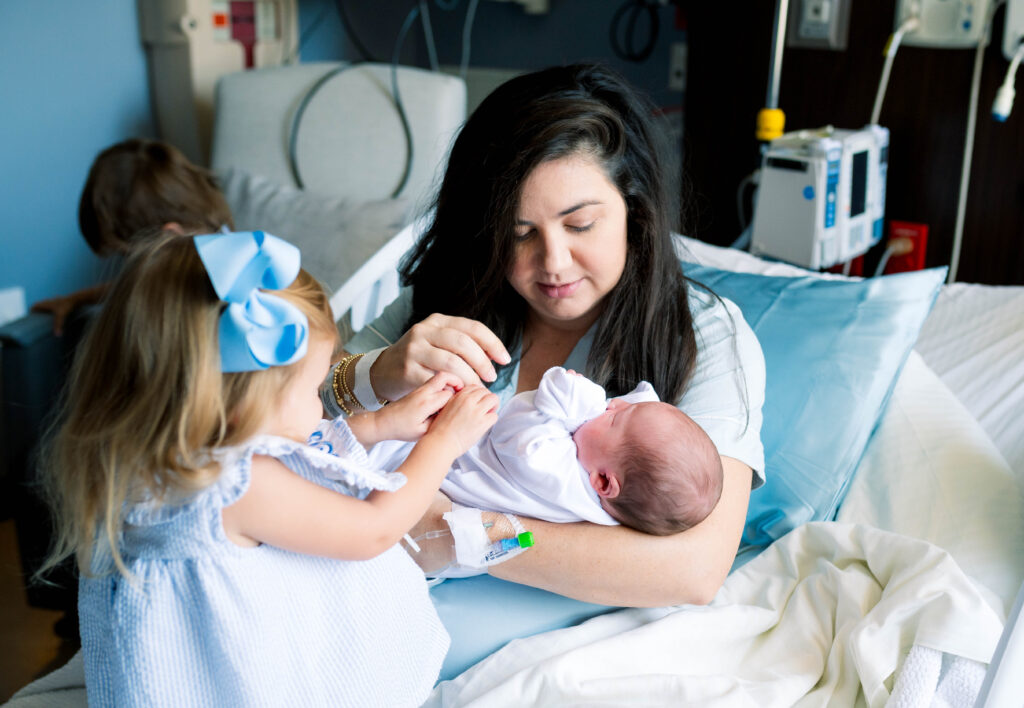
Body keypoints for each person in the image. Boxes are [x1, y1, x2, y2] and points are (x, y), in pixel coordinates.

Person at [326, 62, 766, 608]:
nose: (553, 262)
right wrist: (375, 373)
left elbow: (692, 570)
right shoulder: (454, 295)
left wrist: (465, 534)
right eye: (519, 233)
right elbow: (286, 418)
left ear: (635, 210)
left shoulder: (702, 334)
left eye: (580, 225)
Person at [38, 229, 498, 706]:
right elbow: (373, 530)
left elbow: (296, 454)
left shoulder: (164, 457)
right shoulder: (235, 484)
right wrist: (443, 443)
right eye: (312, 387)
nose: (322, 406)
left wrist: (380, 424)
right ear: (240, 405)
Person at [441, 366, 723, 537]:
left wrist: (570, 396)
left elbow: (515, 435)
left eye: (614, 418)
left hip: (442, 483)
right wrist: (631, 413)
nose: (611, 404)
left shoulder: (563, 481)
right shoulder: (616, 486)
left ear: (602, 480)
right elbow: (644, 420)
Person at [30, 138, 233, 334]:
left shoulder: (218, 299)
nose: (129, 269)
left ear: (168, 237)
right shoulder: (216, 248)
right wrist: (75, 298)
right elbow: (129, 286)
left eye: (127, 256)